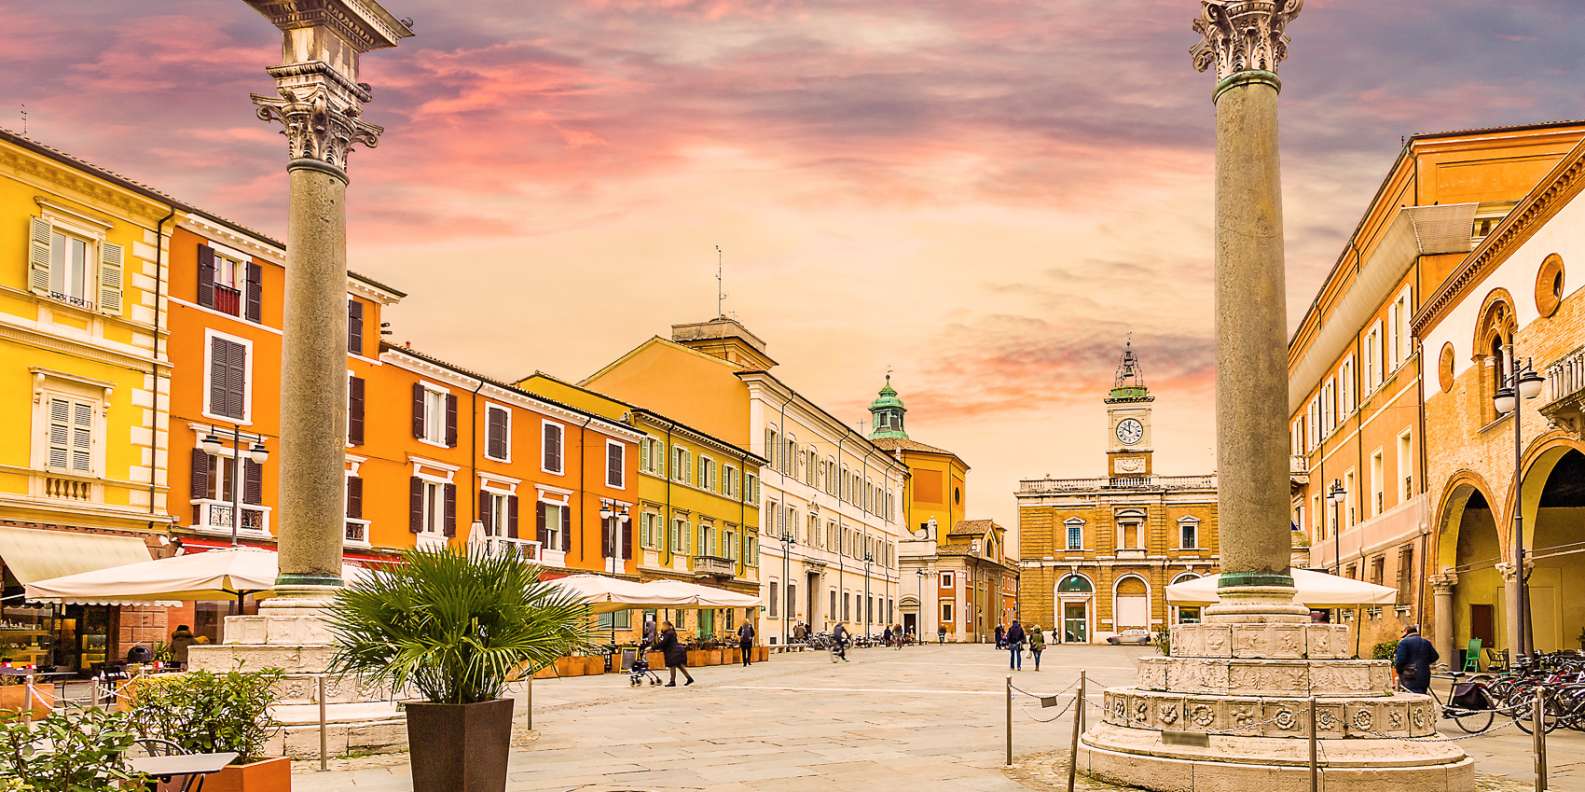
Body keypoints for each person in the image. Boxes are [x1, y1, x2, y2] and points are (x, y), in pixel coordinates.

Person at [1393, 624, 1439, 694]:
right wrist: (1424, 663)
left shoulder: (1404, 643)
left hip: (1410, 675)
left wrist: (1399, 670)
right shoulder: (1426, 642)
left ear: (1406, 631)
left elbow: (1400, 660)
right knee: (1422, 696)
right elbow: (1435, 656)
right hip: (1425, 674)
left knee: (1411, 697)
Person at [657, 621, 693, 687]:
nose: (662, 627)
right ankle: (689, 678)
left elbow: (663, 642)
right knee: (679, 666)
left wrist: (654, 647)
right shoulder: (670, 632)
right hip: (676, 651)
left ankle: (672, 681)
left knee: (672, 665)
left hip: (673, 652)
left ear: (667, 626)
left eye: (663, 626)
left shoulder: (669, 633)